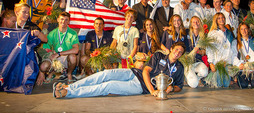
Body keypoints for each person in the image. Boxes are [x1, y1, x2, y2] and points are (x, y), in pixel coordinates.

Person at [53, 42, 185, 99]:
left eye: (181, 52)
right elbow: (145, 71)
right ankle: (70, 86)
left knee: (108, 86)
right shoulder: (159, 55)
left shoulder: (179, 67)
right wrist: (152, 90)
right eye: (177, 49)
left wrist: (172, 89)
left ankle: (68, 93)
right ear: (171, 49)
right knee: (105, 74)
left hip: (139, 86)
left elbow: (179, 86)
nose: (178, 53)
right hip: (133, 73)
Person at [37, 12, 79, 85]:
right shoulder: (52, 33)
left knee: (73, 57)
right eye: (62, 19)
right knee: (43, 66)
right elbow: (45, 48)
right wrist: (41, 72)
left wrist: (59, 53)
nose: (63, 21)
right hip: (56, 58)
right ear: (58, 20)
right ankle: (52, 73)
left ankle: (69, 74)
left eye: (66, 20)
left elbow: (76, 50)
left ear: (69, 22)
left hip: (66, 57)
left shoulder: (72, 33)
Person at [206, 12, 243, 88]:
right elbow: (209, 49)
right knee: (218, 84)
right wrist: (211, 63)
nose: (221, 19)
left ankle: (229, 76)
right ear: (216, 20)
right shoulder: (212, 33)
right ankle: (214, 77)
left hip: (227, 62)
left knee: (226, 84)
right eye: (219, 18)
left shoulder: (229, 33)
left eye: (222, 17)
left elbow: (232, 50)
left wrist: (236, 63)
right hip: (217, 62)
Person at [233, 22, 254, 89]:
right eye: (242, 29)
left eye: (245, 29)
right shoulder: (236, 41)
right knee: (243, 85)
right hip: (243, 68)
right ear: (239, 31)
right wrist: (239, 64)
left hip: (253, 67)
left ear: (248, 30)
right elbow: (233, 56)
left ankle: (252, 80)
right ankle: (244, 80)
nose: (244, 31)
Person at [185, 16, 209, 88]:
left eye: (197, 21)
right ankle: (186, 77)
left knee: (205, 72)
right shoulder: (186, 32)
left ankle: (198, 78)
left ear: (200, 23)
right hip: (188, 62)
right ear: (191, 24)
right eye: (194, 22)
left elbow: (206, 51)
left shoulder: (203, 35)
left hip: (198, 61)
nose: (196, 23)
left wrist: (200, 52)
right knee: (193, 85)